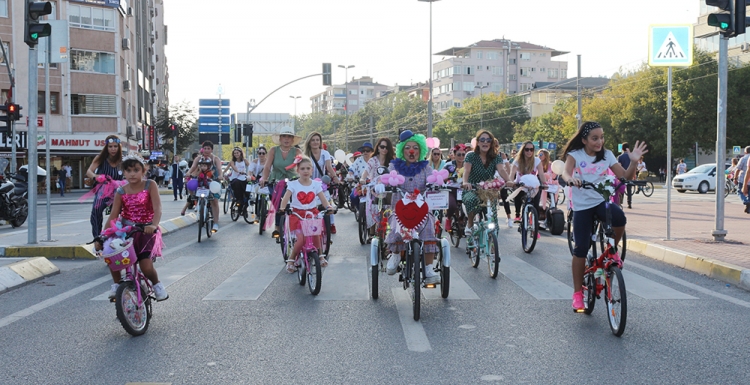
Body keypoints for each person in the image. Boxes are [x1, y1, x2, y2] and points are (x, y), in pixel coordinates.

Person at [561, 121, 647, 311]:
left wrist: (633, 161)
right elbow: (566, 173)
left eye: (601, 137)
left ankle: (611, 250)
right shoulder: (575, 155)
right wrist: (571, 179)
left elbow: (625, 176)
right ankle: (577, 293)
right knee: (581, 248)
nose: (599, 141)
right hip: (582, 206)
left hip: (601, 200)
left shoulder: (607, 155)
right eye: (594, 138)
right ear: (584, 140)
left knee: (619, 218)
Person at [98, 151, 168, 301]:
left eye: (136, 170)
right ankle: (117, 285)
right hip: (126, 231)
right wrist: (103, 235)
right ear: (123, 172)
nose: (132, 174)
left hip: (146, 231)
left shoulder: (150, 185)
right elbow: (114, 215)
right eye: (128, 170)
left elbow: (158, 209)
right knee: (112, 255)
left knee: (146, 266)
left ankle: (157, 285)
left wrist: (153, 225)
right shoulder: (121, 191)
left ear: (144, 170)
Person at [382, 130, 441, 284]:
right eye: (408, 147)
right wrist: (381, 185)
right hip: (400, 209)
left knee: (429, 228)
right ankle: (395, 255)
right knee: (395, 226)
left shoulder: (425, 167)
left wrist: (434, 184)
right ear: (403, 150)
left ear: (420, 150)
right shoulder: (394, 166)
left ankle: (428, 268)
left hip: (421, 210)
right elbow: (386, 179)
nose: (411, 150)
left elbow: (433, 178)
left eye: (415, 147)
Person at [279, 157, 334, 273]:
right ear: (298, 170)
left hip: (311, 213)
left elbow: (323, 199)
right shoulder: (293, 184)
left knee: (316, 235)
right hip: (297, 215)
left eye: (308, 168)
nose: (305, 171)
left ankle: (320, 255)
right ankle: (291, 259)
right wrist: (283, 208)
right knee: (301, 239)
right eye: (302, 168)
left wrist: (328, 207)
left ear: (312, 170)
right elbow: (285, 198)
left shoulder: (315, 184)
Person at [461, 130, 514, 236]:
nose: (485, 142)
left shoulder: (496, 157)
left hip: (488, 190)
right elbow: (466, 171)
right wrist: (465, 182)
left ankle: (493, 243)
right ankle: (470, 223)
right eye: (482, 139)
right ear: (478, 142)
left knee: (493, 217)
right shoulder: (471, 155)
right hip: (473, 188)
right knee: (471, 200)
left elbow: (502, 170)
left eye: (488, 140)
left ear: (491, 143)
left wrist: (508, 180)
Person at [259, 127, 304, 242]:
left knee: (295, 203)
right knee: (278, 202)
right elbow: (268, 166)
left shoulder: (297, 152)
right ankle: (278, 227)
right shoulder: (274, 150)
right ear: (280, 138)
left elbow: (303, 166)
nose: (286, 139)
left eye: (289, 137)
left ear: (292, 139)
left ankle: (295, 225)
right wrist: (264, 178)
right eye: (284, 136)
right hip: (276, 180)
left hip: (293, 180)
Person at [85, 135, 124, 238]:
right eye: (110, 146)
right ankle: (97, 238)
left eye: (115, 146)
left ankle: (116, 236)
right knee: (96, 211)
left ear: (119, 147)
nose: (113, 149)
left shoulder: (123, 160)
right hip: (103, 190)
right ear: (106, 147)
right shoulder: (100, 158)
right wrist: (95, 177)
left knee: (119, 214)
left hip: (119, 191)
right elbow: (89, 171)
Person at [304, 132, 340, 234]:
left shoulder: (325, 153)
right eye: (313, 140)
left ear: (320, 142)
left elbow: (329, 167)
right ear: (309, 142)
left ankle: (331, 224)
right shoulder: (306, 154)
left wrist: (335, 178)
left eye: (317, 140)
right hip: (308, 183)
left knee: (328, 204)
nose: (315, 142)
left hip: (322, 184)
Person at [361, 137, 395, 239]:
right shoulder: (373, 160)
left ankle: (390, 230)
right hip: (374, 188)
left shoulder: (392, 161)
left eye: (386, 147)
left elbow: (396, 173)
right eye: (382, 147)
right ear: (378, 148)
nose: (384, 149)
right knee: (374, 207)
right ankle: (371, 233)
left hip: (388, 188)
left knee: (390, 208)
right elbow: (366, 170)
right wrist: (362, 178)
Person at [186, 141, 223, 232]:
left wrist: (220, 176)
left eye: (208, 149)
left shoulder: (215, 159)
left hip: (212, 182)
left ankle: (215, 223)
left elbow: (219, 169)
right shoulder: (198, 158)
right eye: (205, 148)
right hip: (201, 181)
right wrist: (189, 173)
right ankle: (194, 198)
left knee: (214, 201)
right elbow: (193, 167)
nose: (206, 150)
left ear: (212, 150)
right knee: (190, 184)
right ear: (202, 149)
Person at [510, 141, 547, 231]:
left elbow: (541, 174)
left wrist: (544, 184)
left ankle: (535, 227)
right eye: (527, 149)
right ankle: (518, 214)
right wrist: (510, 182)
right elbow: (512, 174)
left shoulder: (537, 161)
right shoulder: (517, 161)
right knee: (518, 196)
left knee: (536, 204)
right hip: (521, 184)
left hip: (533, 185)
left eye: (531, 149)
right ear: (523, 150)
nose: (529, 152)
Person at [443, 143, 467, 233]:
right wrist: (448, 178)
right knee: (452, 205)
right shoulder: (449, 165)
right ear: (454, 155)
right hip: (451, 189)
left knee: (469, 203)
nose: (461, 157)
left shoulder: (467, 165)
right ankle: (448, 218)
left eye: (463, 154)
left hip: (463, 189)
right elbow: (441, 177)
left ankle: (463, 219)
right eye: (459, 155)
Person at [348, 142, 374, 218]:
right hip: (361, 184)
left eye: (367, 150)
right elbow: (351, 169)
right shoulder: (358, 160)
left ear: (371, 151)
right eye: (363, 151)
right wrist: (350, 175)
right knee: (353, 196)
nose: (365, 152)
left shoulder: (374, 160)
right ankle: (360, 210)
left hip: (373, 184)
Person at [229, 147, 251, 215]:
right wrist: (238, 171)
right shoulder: (233, 161)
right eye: (234, 153)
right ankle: (239, 200)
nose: (236, 154)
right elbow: (234, 168)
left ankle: (245, 206)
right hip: (235, 178)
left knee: (249, 186)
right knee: (236, 182)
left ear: (241, 153)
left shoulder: (244, 160)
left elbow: (250, 167)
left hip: (244, 177)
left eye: (237, 153)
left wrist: (250, 174)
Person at [734, 146, 750, 213]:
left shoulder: (743, 158)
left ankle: (746, 201)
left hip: (743, 179)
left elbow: (738, 169)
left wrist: (735, 178)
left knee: (739, 191)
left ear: (745, 152)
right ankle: (748, 207)